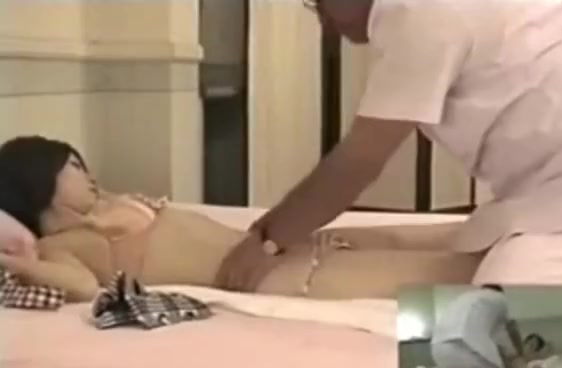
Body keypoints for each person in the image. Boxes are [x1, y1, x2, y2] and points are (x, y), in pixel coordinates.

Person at [213, 0, 562, 292]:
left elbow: (359, 160)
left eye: (320, 2)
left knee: (498, 321)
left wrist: (267, 241)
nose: (322, 19)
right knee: (473, 258)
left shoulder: (424, 15)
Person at [0, 136, 479, 303]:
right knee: (451, 272)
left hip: (282, 247)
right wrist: (17, 259)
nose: (89, 174)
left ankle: (512, 236)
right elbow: (82, 288)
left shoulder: (110, 204)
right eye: (74, 167)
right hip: (275, 275)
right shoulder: (62, 245)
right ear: (38, 179)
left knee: (440, 236)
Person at [428, 285, 547, 368]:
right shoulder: (500, 300)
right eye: (529, 343)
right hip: (463, 345)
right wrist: (522, 362)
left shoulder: (469, 298)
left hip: (437, 348)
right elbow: (512, 332)